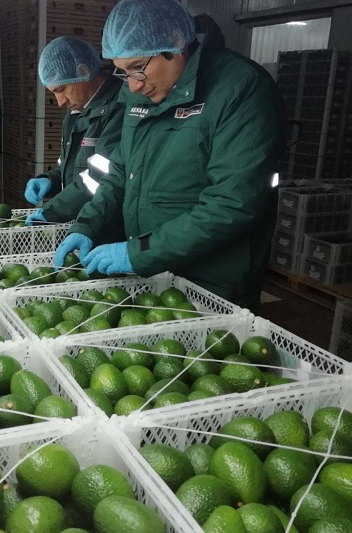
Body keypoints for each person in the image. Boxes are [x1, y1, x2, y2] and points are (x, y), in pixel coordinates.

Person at [54, 0, 287, 311]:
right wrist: (87, 224)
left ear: (176, 43)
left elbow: (231, 203)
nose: (133, 86)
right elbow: (120, 173)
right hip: (153, 271)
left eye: (138, 68)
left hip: (214, 282)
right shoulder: (144, 93)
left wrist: (137, 253)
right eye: (123, 73)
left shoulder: (240, 89)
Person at [24, 37, 125, 226]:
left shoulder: (119, 108)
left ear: (83, 72)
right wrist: (50, 180)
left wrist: (54, 211)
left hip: (105, 226)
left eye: (62, 89)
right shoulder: (77, 112)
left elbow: (102, 177)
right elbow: (70, 168)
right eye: (53, 92)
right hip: (80, 222)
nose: (60, 101)